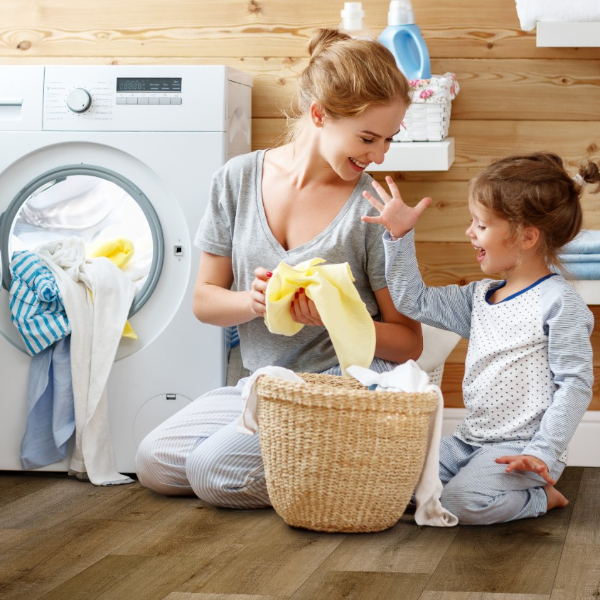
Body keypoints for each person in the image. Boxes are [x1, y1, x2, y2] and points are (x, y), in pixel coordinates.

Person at [135, 28, 423, 507]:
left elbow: (408, 341)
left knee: (210, 473)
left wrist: (337, 314)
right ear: (319, 115)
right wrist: (252, 301)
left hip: (342, 386)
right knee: (155, 461)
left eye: (388, 140)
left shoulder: (370, 206)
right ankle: (344, 468)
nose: (378, 155)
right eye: (368, 137)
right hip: (266, 383)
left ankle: (365, 479)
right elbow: (205, 301)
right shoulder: (237, 179)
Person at [362, 152, 600, 525]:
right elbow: (414, 300)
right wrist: (400, 236)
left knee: (462, 503)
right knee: (392, 486)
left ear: (526, 236)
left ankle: (541, 497)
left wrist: (543, 451)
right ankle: (475, 480)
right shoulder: (477, 298)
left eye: (481, 225)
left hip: (521, 448)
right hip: (468, 440)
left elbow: (575, 384)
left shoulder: (558, 302)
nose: (469, 232)